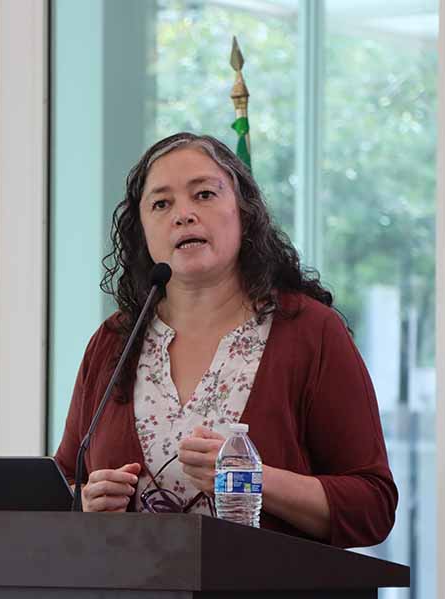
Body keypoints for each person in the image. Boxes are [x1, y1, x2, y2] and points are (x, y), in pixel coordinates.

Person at [54, 132, 396, 548]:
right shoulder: (113, 341)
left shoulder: (311, 332)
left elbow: (372, 506)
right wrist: (85, 505)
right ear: (142, 230)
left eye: (204, 195)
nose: (183, 215)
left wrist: (252, 479)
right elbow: (63, 482)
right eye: (161, 204)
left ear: (244, 211)